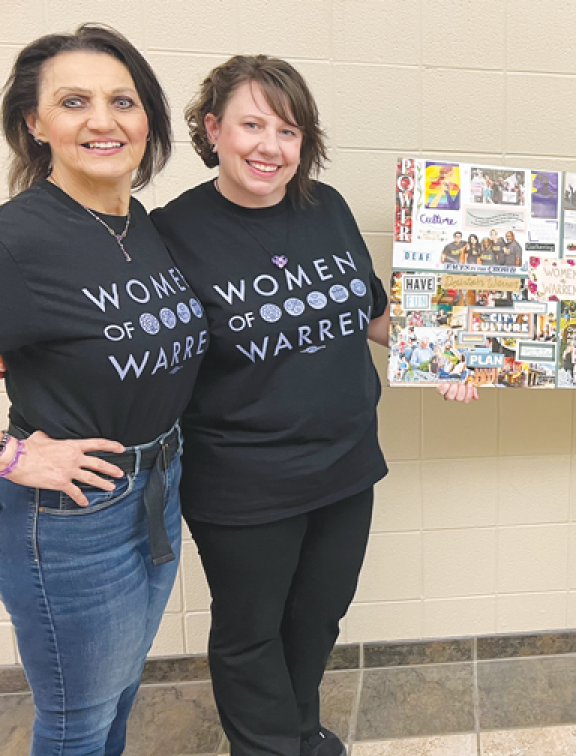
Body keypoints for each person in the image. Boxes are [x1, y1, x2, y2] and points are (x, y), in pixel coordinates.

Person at [151, 55, 476, 756]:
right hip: (245, 481)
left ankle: (299, 728)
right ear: (213, 129)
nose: (271, 146)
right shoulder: (172, 231)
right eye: (252, 125)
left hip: (346, 465)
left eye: (290, 131)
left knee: (318, 617)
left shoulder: (324, 208)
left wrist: (453, 355)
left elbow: (373, 315)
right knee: (251, 632)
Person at [0, 24, 206, 753]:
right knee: (77, 721)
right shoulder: (17, 238)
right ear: (35, 122)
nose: (102, 120)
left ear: (146, 118)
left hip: (156, 489)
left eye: (122, 100)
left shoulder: (140, 225)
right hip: (71, 516)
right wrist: (15, 456)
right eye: (74, 101)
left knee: (117, 695)